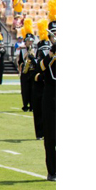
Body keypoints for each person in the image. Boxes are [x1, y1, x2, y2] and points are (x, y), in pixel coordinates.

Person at [37, 21, 54, 181]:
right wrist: (53, 53)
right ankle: (52, 170)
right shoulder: (44, 51)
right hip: (50, 95)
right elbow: (41, 67)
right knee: (51, 136)